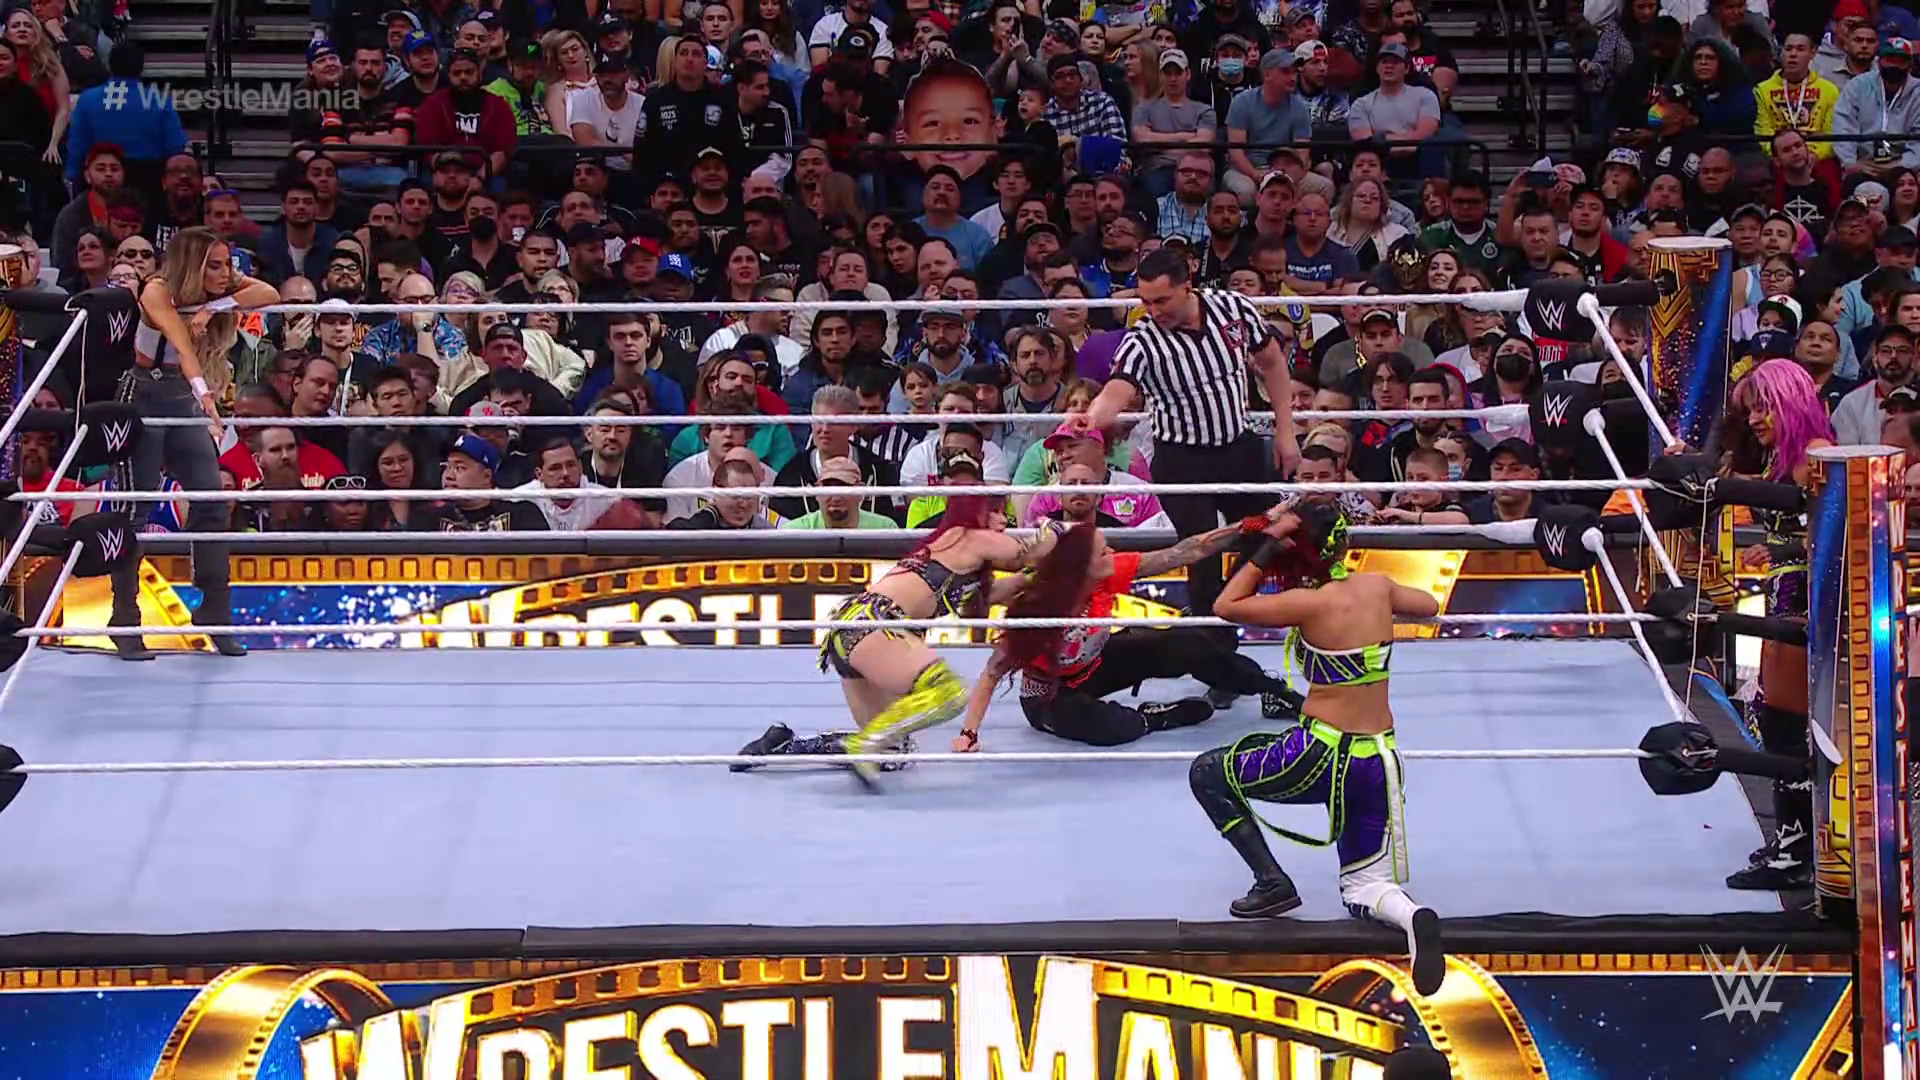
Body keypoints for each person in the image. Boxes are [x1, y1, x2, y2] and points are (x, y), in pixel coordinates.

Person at [1188, 503, 1446, 999]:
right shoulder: (1377, 586)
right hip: (1380, 759)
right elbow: (1429, 604)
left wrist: (1268, 548)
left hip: (1319, 754)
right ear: (1344, 544)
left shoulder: (1308, 604)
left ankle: (1271, 882)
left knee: (1208, 772)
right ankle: (1412, 915)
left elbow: (1226, 605)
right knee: (1365, 887)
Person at [1077, 248, 1298, 649]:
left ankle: (1220, 615)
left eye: (1161, 300)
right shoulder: (1143, 340)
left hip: (1238, 447)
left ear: (1187, 286)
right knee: (1201, 553)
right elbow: (1117, 390)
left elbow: (1272, 363)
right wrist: (1091, 418)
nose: (1153, 310)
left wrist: (1286, 431)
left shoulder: (1233, 308)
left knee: (1269, 531)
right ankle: (1213, 647)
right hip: (1181, 459)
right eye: (1146, 301)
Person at [958, 523, 1305, 750]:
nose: (1111, 554)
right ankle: (1157, 718)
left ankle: (1277, 693)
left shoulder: (1106, 575)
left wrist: (1245, 526)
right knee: (1111, 729)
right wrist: (969, 733)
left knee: (1188, 645)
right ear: (1080, 565)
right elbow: (992, 672)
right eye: (1103, 551)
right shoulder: (1038, 610)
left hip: (1096, 666)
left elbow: (1188, 551)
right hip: (1050, 695)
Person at [822, 491, 1052, 788]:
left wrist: (1027, 579)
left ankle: (793, 744)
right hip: (874, 627)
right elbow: (1028, 554)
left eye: (1004, 515)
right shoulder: (968, 537)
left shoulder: (955, 554)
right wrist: (1056, 530)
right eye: (994, 513)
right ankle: (863, 743)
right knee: (949, 692)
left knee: (893, 752)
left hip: (854, 631)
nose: (1002, 522)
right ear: (976, 513)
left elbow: (980, 604)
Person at [122, 225, 279, 657]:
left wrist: (217, 305)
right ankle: (124, 618)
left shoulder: (216, 289)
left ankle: (214, 610)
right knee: (136, 509)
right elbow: (183, 347)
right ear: (192, 265)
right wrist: (206, 395)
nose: (225, 272)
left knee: (211, 500)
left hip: (181, 396)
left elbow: (269, 293)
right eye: (215, 265)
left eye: (227, 264)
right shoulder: (157, 289)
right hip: (146, 394)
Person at [1712, 359, 1834, 889]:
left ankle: (1797, 851)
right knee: (1777, 718)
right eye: (1751, 410)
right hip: (1787, 594)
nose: (1756, 419)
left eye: (1764, 407)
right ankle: (1793, 842)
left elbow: (1836, 531)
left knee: (1786, 724)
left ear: (1790, 402)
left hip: (1806, 596)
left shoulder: (1816, 455)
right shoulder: (1786, 459)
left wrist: (1782, 549)